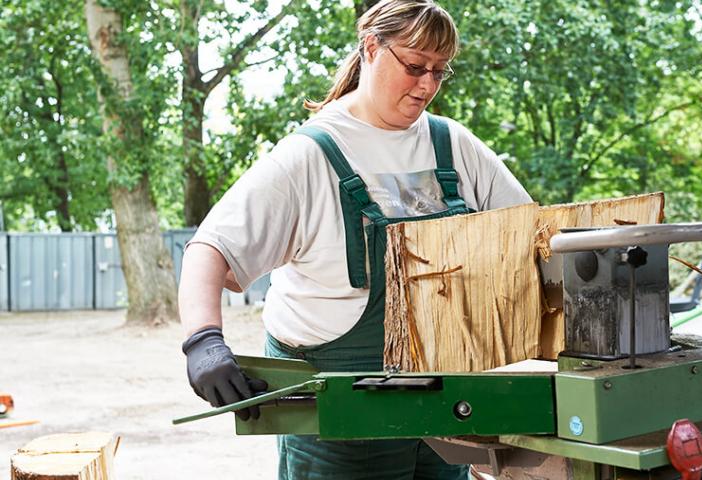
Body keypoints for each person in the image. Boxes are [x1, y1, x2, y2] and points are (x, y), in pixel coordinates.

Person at [178, 0, 532, 478]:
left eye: (438, 72)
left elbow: (533, 236)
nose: (427, 85)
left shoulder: (453, 145)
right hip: (340, 419)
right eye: (414, 67)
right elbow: (210, 249)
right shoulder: (310, 156)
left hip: (447, 410)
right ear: (371, 47)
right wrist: (203, 342)